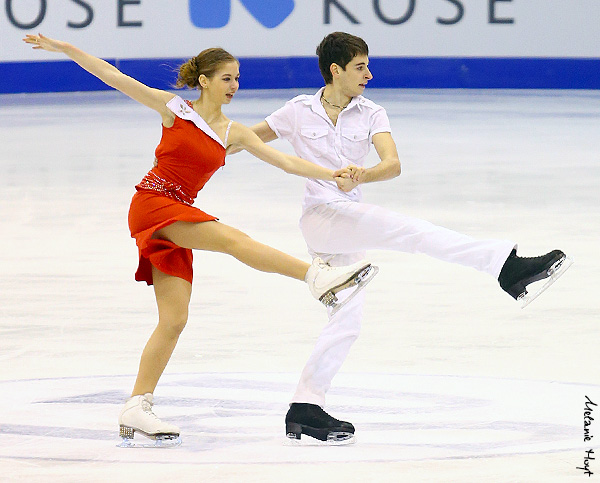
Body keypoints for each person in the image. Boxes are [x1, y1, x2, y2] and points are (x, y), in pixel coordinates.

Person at [23, 33, 378, 447]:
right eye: (226, 78)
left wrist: (331, 173)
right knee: (231, 238)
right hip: (154, 203)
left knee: (174, 320)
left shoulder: (235, 132)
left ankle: (136, 406)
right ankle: (316, 277)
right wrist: (66, 50)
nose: (234, 86)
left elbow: (285, 160)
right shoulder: (175, 110)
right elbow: (112, 75)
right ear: (204, 80)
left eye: (238, 78)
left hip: (178, 212)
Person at [242, 32, 571, 443]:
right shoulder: (296, 111)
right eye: (360, 67)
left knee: (347, 319)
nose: (369, 74)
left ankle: (305, 406)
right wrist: (195, 142)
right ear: (336, 70)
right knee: (412, 231)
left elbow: (392, 164)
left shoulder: (372, 113)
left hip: (349, 217)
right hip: (321, 216)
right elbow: (245, 140)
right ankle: (504, 266)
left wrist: (364, 174)